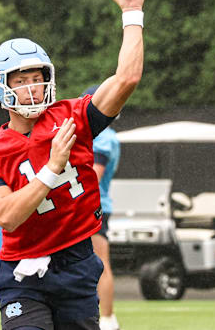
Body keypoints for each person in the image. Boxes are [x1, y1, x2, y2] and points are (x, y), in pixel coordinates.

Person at [0, 0, 150, 330]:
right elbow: (8, 216)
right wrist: (51, 168)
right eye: (21, 79)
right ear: (1, 86)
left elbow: (127, 79)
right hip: (23, 271)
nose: (32, 87)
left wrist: (132, 12)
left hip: (76, 264)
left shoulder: (73, 118)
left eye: (37, 77)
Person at [81, 85, 121, 330]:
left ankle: (107, 320)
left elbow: (93, 175)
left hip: (92, 205)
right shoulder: (98, 134)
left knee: (100, 262)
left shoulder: (104, 137)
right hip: (87, 204)